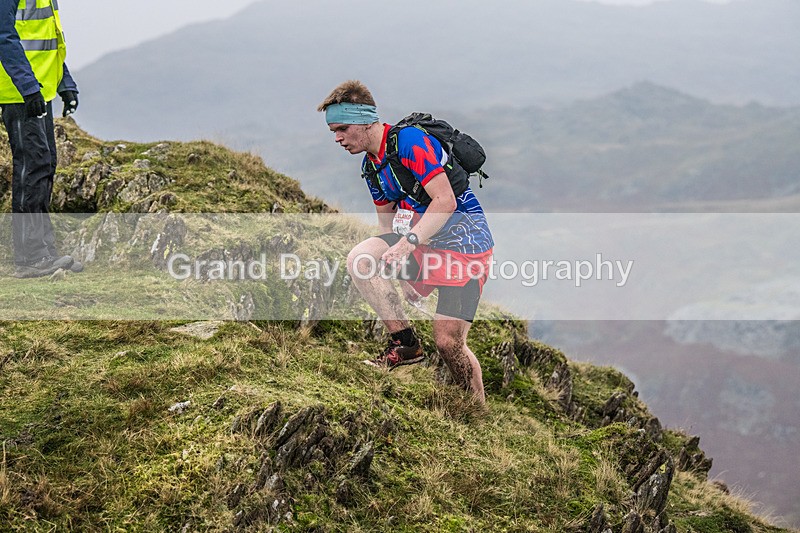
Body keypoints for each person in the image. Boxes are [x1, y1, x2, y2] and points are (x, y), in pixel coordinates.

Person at [318, 80, 494, 403]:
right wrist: (402, 275)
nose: (338, 138)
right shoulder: (371, 167)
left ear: (364, 120)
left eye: (342, 128)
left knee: (448, 343)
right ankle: (405, 344)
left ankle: (475, 407)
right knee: (361, 259)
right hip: (423, 243)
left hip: (465, 246)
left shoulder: (410, 142)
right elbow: (387, 229)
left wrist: (406, 245)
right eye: (333, 132)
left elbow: (445, 201)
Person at [0, 0, 81, 278]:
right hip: (19, 93)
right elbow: (3, 35)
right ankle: (30, 257)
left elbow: (49, 42)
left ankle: (45, 251)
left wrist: (64, 82)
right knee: (31, 169)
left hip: (38, 91)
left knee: (44, 165)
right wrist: (28, 87)